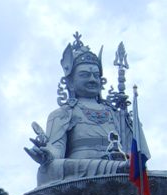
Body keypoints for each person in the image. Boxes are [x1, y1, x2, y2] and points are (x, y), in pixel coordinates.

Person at [24, 33, 146, 187]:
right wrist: (46, 154)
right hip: (80, 170)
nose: (92, 79)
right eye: (85, 75)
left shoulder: (116, 114)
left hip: (120, 163)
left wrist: (130, 124)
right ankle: (115, 169)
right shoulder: (62, 114)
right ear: (70, 82)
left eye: (96, 75)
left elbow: (133, 151)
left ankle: (118, 168)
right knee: (48, 169)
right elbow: (56, 151)